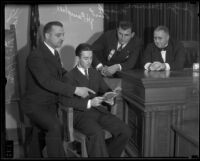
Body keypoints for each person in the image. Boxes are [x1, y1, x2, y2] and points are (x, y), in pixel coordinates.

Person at [21, 21, 95, 157]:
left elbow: (62, 73)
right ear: (47, 36)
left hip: (49, 104)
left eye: (63, 35)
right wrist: (75, 90)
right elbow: (47, 82)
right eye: (58, 35)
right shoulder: (36, 55)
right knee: (55, 127)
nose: (62, 38)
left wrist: (78, 78)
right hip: (34, 105)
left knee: (39, 133)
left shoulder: (54, 53)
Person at [60, 43, 132, 157]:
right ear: (78, 58)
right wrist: (89, 103)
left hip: (98, 111)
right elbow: (65, 101)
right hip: (80, 115)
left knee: (125, 131)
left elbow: (105, 89)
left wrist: (110, 96)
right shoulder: (69, 77)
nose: (89, 61)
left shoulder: (94, 73)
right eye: (85, 58)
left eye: (91, 58)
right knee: (97, 133)